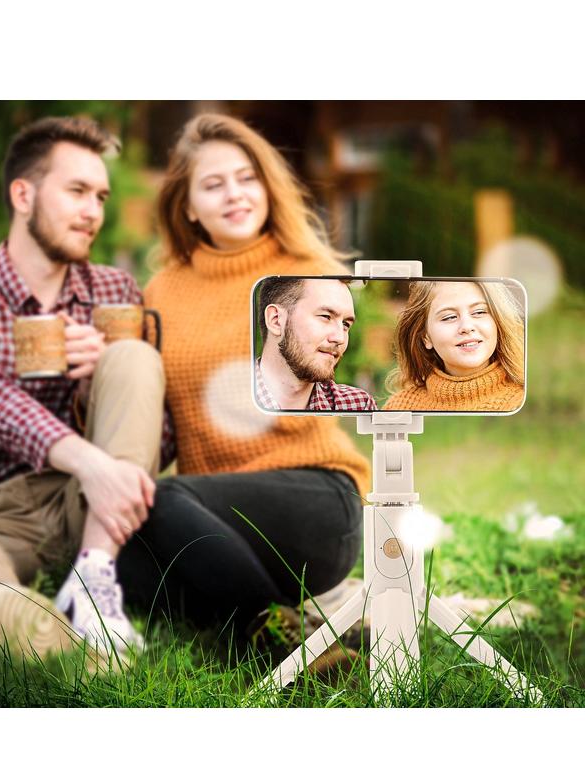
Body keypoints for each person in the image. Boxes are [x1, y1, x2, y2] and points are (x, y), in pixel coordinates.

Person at [116, 113, 371, 648]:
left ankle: (279, 640)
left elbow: (331, 371)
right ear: (186, 205)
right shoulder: (163, 289)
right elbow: (165, 422)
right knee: (121, 568)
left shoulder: (304, 269)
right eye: (213, 184)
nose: (234, 194)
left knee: (162, 502)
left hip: (313, 499)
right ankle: (265, 618)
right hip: (209, 519)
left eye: (246, 177)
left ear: (267, 185)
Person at [0, 117, 172, 658]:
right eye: (78, 191)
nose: (94, 211)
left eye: (102, 196)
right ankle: (87, 654)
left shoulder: (113, 290)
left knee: (132, 356)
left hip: (96, 514)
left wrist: (97, 384)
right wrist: (94, 463)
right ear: (23, 194)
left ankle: (93, 579)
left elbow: (162, 434)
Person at [383, 280, 525, 412]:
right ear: (426, 337)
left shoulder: (522, 403)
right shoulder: (399, 407)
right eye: (449, 317)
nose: (467, 327)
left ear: (497, 323)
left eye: (479, 312)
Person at [256, 276, 377, 411]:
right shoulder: (230, 404)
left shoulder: (358, 406)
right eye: (326, 317)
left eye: (345, 324)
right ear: (276, 320)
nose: (340, 338)